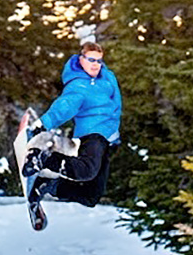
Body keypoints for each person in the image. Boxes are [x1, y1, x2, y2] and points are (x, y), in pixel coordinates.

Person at [22, 41, 122, 209]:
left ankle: (48, 185)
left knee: (91, 196)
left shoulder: (107, 77)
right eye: (91, 60)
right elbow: (65, 106)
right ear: (81, 59)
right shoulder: (79, 84)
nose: (95, 65)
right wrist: (44, 123)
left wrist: (114, 135)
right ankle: (41, 158)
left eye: (99, 61)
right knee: (86, 171)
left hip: (108, 137)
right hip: (93, 133)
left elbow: (116, 105)